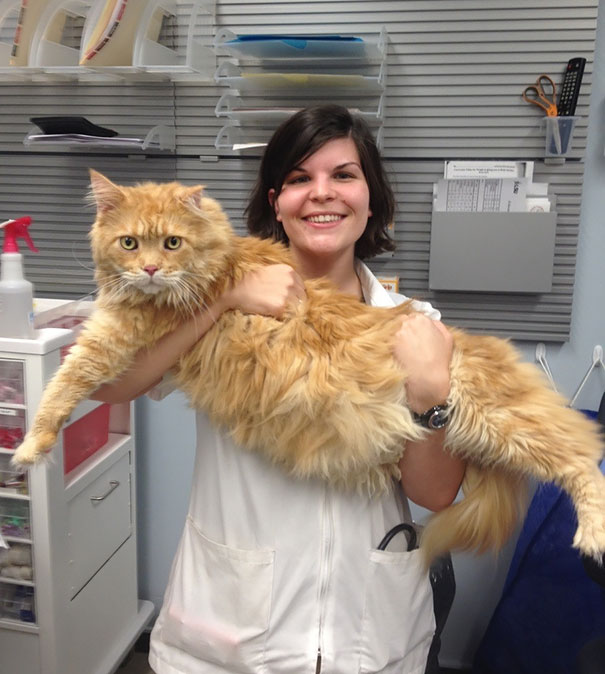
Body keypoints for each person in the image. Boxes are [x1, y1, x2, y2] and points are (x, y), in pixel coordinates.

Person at [94, 104, 465, 674]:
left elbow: (434, 495)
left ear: (372, 199)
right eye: (298, 179)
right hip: (230, 636)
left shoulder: (415, 325)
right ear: (275, 202)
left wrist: (431, 391)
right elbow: (107, 384)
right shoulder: (206, 292)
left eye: (343, 175)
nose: (322, 193)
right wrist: (223, 301)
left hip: (367, 636)